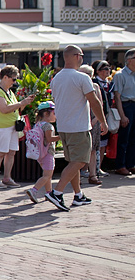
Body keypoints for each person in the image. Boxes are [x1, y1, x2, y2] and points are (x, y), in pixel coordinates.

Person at [46, 45, 108, 211]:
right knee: (80, 161)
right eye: (81, 55)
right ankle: (57, 192)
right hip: (78, 126)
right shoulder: (82, 77)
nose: (82, 57)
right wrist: (103, 121)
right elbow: (94, 101)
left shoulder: (56, 78)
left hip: (64, 126)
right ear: (75, 56)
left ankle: (78, 195)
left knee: (73, 162)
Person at [0, 66, 34, 188]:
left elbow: (16, 109)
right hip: (2, 126)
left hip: (12, 126)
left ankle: (7, 177)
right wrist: (21, 103)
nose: (15, 82)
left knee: (11, 152)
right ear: (5, 77)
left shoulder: (9, 92)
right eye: (13, 79)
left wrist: (24, 103)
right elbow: (4, 109)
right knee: (1, 152)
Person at [25, 102, 60, 204]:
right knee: (47, 175)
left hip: (40, 154)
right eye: (54, 113)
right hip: (48, 153)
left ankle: (49, 193)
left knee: (47, 174)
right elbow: (49, 139)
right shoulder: (48, 126)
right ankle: (34, 190)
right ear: (46, 114)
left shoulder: (37, 124)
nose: (55, 115)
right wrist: (62, 136)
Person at [112, 49, 135, 176]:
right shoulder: (120, 75)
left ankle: (131, 164)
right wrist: (122, 115)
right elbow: (117, 97)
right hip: (126, 106)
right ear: (129, 60)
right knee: (123, 139)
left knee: (133, 139)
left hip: (134, 105)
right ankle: (120, 165)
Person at [90, 60, 114, 183]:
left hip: (105, 114)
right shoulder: (94, 83)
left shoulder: (109, 83)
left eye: (108, 68)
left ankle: (99, 167)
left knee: (103, 142)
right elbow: (96, 102)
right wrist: (97, 118)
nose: (107, 71)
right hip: (95, 116)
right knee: (94, 144)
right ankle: (92, 170)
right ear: (97, 71)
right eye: (104, 69)